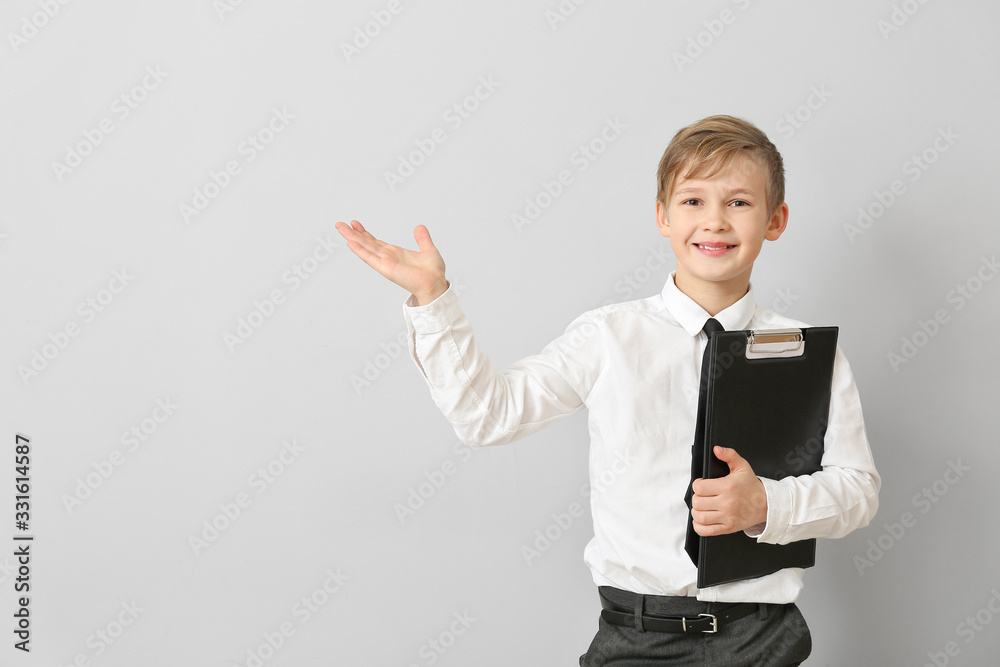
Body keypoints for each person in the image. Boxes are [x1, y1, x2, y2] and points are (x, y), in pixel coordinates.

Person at [335, 115, 879, 666]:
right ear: (663, 216)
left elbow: (858, 491)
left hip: (762, 639)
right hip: (637, 637)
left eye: (738, 202)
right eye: (693, 201)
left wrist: (768, 503)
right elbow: (487, 416)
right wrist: (433, 299)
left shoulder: (807, 355)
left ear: (775, 219)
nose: (714, 221)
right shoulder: (608, 337)